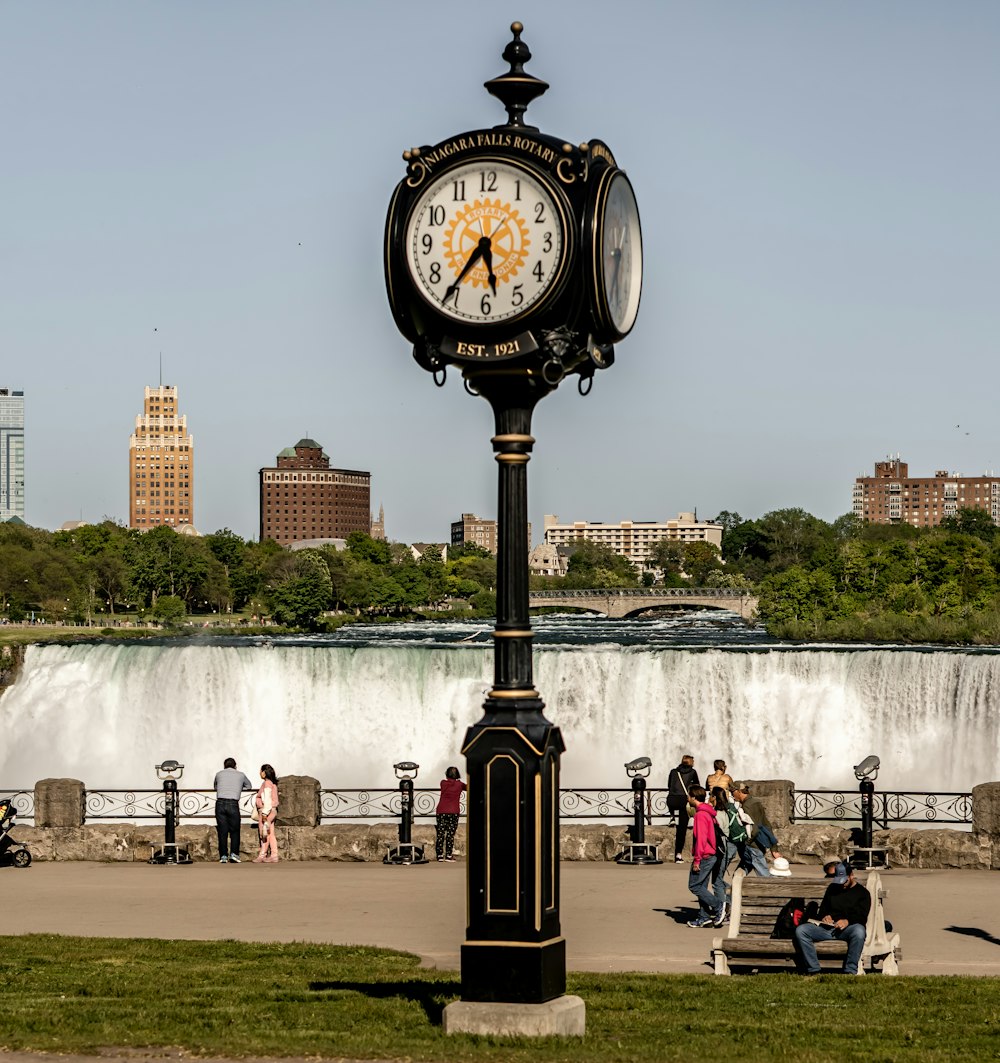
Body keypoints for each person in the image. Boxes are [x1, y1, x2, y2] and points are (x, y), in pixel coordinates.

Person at [794, 861, 871, 975]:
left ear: (851, 875)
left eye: (844, 881)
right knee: (802, 930)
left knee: (859, 931)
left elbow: (862, 916)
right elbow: (822, 911)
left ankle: (850, 971)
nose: (842, 884)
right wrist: (825, 917)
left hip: (848, 929)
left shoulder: (862, 893)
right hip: (827, 928)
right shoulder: (832, 888)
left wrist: (847, 921)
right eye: (839, 881)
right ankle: (814, 969)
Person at [686, 786, 725, 928]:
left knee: (694, 886)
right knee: (701, 886)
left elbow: (701, 839)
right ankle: (704, 917)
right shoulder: (708, 813)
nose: (687, 799)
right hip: (711, 855)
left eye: (689, 796)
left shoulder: (700, 815)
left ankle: (719, 906)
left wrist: (697, 860)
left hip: (705, 856)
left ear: (694, 797)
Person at [213, 757, 254, 863]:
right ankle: (234, 854)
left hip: (220, 803)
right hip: (233, 804)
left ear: (224, 766)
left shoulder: (219, 774)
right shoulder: (241, 775)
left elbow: (215, 787)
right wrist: (239, 788)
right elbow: (249, 786)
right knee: (235, 830)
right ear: (235, 766)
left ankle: (223, 856)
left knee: (222, 831)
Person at [729, 781, 773, 877]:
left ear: (739, 791)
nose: (732, 795)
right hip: (758, 844)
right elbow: (766, 823)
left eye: (733, 792)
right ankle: (736, 890)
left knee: (765, 878)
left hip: (752, 847)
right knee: (738, 875)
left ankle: (777, 890)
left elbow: (753, 828)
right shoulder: (756, 801)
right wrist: (773, 846)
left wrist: (747, 842)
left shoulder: (746, 806)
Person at [666, 754, 700, 863]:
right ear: (691, 762)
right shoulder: (692, 772)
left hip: (671, 800)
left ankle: (672, 816)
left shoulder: (673, 771)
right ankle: (678, 855)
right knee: (681, 830)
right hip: (683, 801)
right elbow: (697, 786)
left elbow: (669, 785)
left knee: (673, 805)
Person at [435, 766, 466, 862]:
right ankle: (448, 855)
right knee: (450, 834)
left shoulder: (443, 783)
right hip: (453, 811)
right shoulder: (460, 785)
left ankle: (439, 855)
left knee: (440, 833)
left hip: (441, 811)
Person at [253, 764, 280, 863]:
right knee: (271, 833)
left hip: (266, 811)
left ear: (264, 772)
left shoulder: (267, 784)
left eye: (260, 771)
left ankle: (262, 855)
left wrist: (264, 813)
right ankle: (274, 855)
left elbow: (267, 799)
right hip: (272, 810)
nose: (259, 773)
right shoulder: (272, 783)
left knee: (264, 833)